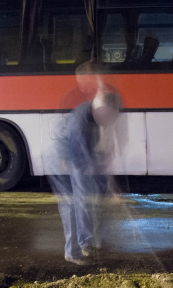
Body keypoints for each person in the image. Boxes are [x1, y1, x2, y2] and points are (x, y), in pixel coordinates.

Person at [47, 89, 122, 265]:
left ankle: (86, 243)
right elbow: (80, 155)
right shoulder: (81, 119)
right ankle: (72, 253)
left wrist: (107, 186)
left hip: (75, 156)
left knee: (85, 199)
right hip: (62, 160)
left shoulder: (95, 115)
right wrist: (105, 186)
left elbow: (91, 153)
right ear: (100, 109)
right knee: (72, 204)